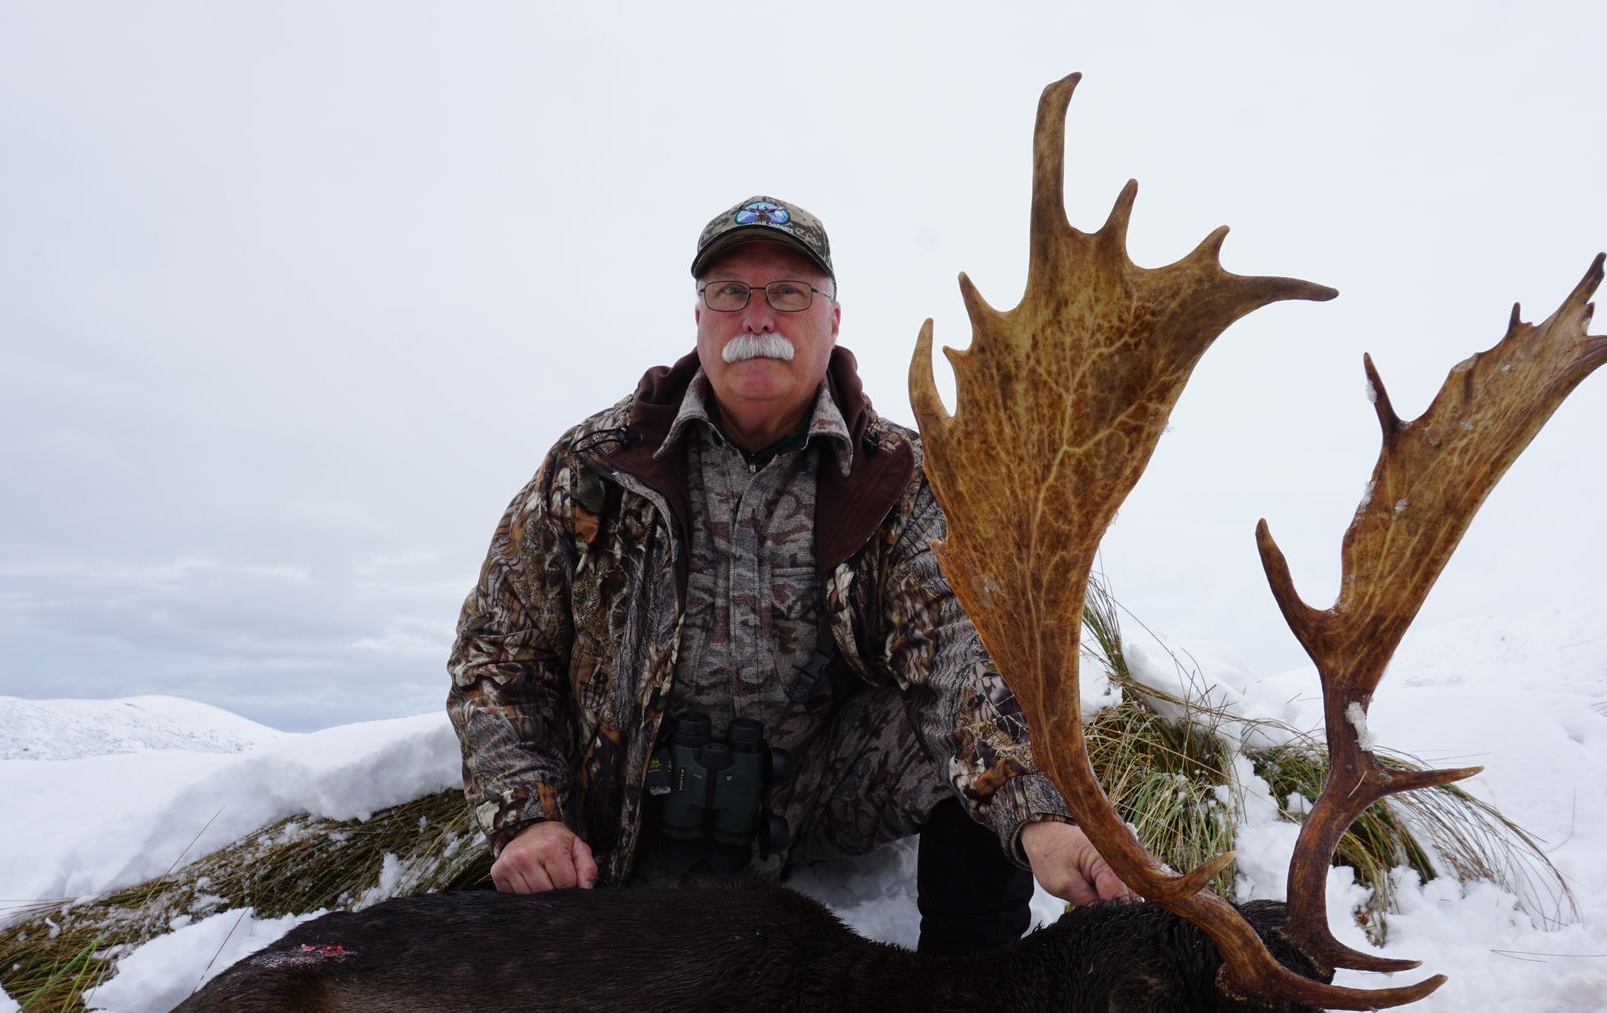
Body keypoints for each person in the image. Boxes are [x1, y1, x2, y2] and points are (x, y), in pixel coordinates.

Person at [446, 195, 1131, 955]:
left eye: (789, 293)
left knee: (956, 740)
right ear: (700, 316)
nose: (758, 318)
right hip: (616, 812)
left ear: (832, 318)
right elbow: (499, 653)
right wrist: (529, 815)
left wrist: (1039, 815)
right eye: (731, 292)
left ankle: (967, 998)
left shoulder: (901, 477)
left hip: (808, 799)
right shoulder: (597, 464)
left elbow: (961, 660)